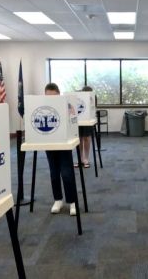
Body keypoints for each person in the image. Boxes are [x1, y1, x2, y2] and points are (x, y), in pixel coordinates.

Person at [45, 83, 78, 216]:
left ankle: (72, 201)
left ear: (59, 94)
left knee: (66, 173)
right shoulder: (43, 107)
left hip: (64, 143)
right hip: (49, 143)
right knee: (54, 173)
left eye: (54, 96)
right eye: (48, 96)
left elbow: (73, 120)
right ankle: (58, 199)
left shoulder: (67, 105)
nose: (51, 99)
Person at [78, 86, 94, 168]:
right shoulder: (79, 98)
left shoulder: (93, 98)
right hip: (79, 120)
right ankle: (80, 158)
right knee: (79, 139)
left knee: (86, 138)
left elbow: (93, 108)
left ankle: (86, 158)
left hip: (88, 120)